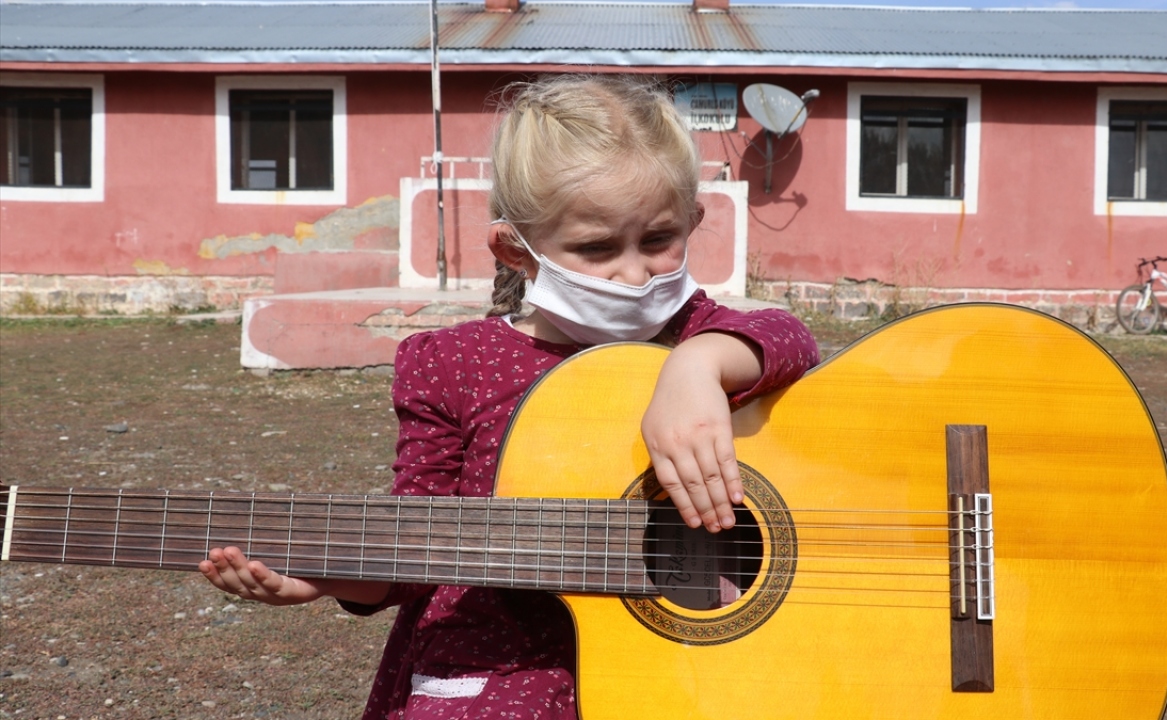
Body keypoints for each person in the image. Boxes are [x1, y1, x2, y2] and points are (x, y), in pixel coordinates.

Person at [199, 74, 820, 719]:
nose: (635, 273)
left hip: (687, 654)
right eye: (597, 248)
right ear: (514, 250)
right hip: (505, 663)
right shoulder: (451, 364)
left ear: (692, 221)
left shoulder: (698, 331)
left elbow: (791, 337)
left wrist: (695, 368)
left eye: (659, 241)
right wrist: (322, 576)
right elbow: (418, 547)